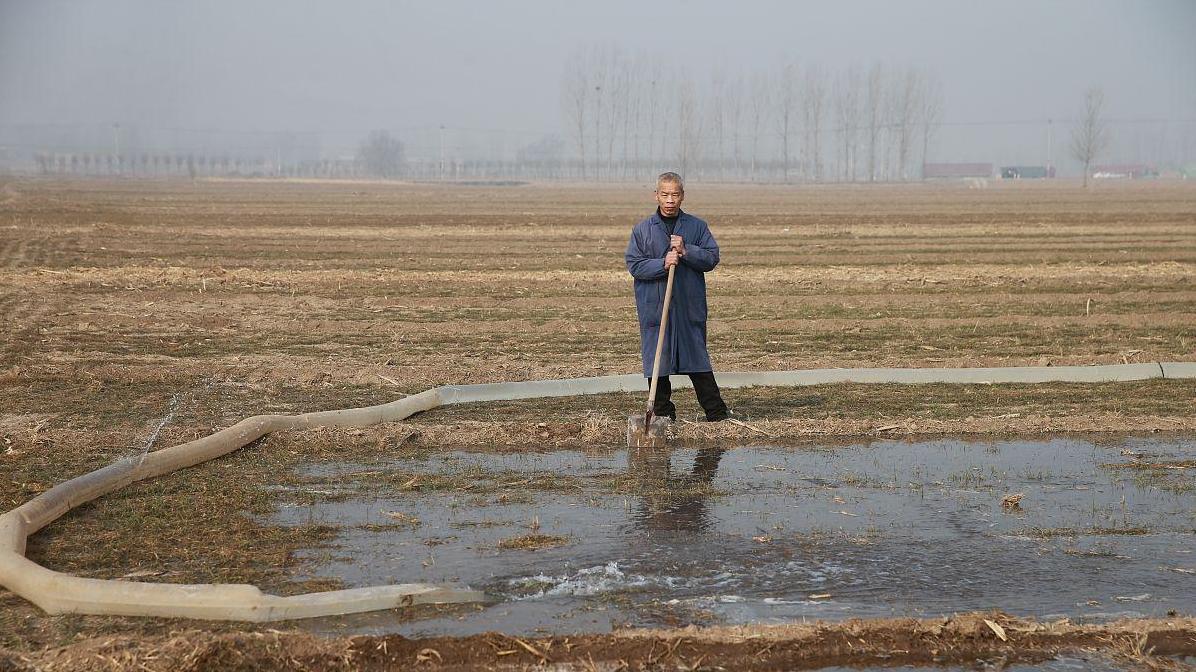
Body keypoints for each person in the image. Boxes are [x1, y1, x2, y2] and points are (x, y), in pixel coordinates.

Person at [625, 172, 730, 422]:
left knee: (697, 359)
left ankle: (716, 414)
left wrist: (686, 250)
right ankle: (662, 415)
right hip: (656, 307)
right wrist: (662, 263)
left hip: (687, 307)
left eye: (675, 194)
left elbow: (711, 258)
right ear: (656, 195)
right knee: (657, 362)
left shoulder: (697, 227)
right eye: (665, 194)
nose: (670, 199)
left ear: (682, 196)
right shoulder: (642, 230)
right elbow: (635, 265)